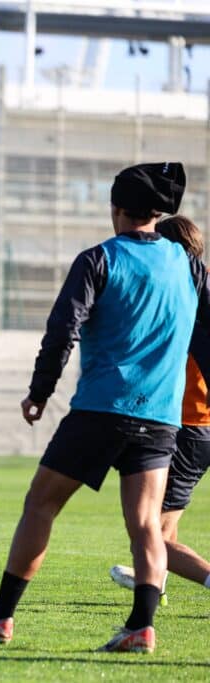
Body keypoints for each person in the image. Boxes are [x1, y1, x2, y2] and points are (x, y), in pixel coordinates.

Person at [0, 162, 210, 654]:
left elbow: (63, 328)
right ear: (158, 212)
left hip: (101, 409)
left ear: (116, 209)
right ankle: (139, 625)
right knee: (146, 524)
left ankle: (1, 617)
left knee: (41, 503)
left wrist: (40, 390)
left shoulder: (100, 258)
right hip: (161, 417)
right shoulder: (189, 265)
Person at [108, 215, 210, 600]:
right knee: (163, 527)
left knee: (147, 529)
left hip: (186, 423)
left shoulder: (180, 288)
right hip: (197, 425)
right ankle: (152, 579)